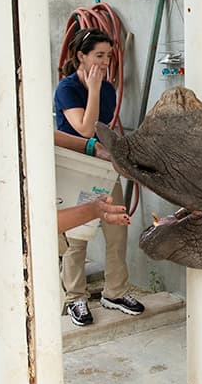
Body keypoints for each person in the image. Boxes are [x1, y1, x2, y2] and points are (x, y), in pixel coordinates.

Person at [0, 13, 132, 384]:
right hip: (12, 272)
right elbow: (22, 224)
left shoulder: (1, 119)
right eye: (20, 58)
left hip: (32, 266)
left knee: (29, 378)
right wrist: (93, 210)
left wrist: (90, 149)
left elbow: (41, 136)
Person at [53, 27, 145, 326]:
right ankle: (75, 297)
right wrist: (92, 89)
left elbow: (104, 128)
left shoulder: (107, 88)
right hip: (75, 167)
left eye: (108, 56)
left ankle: (115, 291)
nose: (105, 62)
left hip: (103, 166)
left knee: (117, 228)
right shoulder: (67, 89)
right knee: (77, 236)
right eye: (98, 55)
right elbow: (83, 128)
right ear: (81, 56)